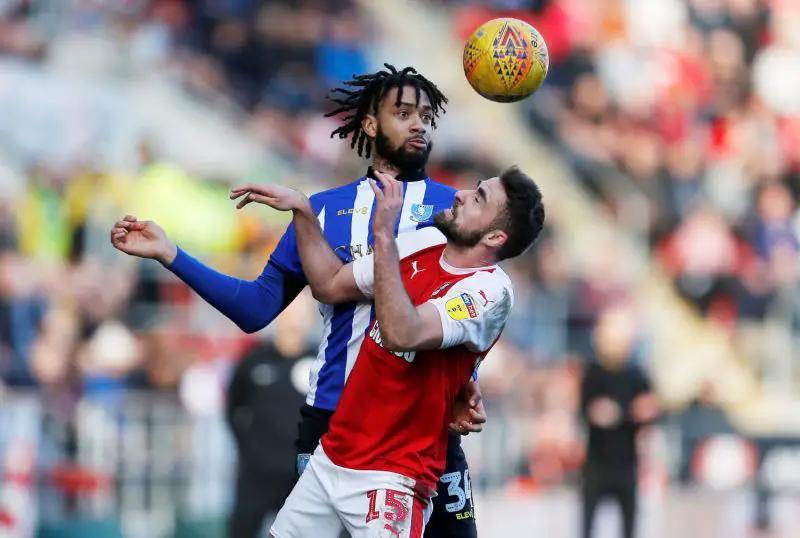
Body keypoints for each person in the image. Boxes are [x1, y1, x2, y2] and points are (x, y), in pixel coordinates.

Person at [110, 64, 487, 537]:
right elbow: (255, 308)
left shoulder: (456, 211)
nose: (418, 125)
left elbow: (471, 306)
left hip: (423, 424)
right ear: (370, 124)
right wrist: (171, 254)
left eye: (426, 116)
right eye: (404, 113)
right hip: (334, 420)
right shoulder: (322, 211)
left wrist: (467, 382)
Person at [230, 167, 544, 537]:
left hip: (393, 476)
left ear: (494, 236)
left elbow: (402, 333)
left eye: (479, 199)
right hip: (334, 454)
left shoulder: (489, 292)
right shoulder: (425, 241)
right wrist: (303, 211)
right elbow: (330, 284)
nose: (461, 194)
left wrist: (383, 234)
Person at [579, 305, 660, 538]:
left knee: (629, 524)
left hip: (627, 462)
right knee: (588, 523)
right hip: (597, 463)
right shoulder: (592, 373)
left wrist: (619, 413)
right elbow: (594, 413)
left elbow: (650, 410)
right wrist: (630, 412)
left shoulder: (637, 375)